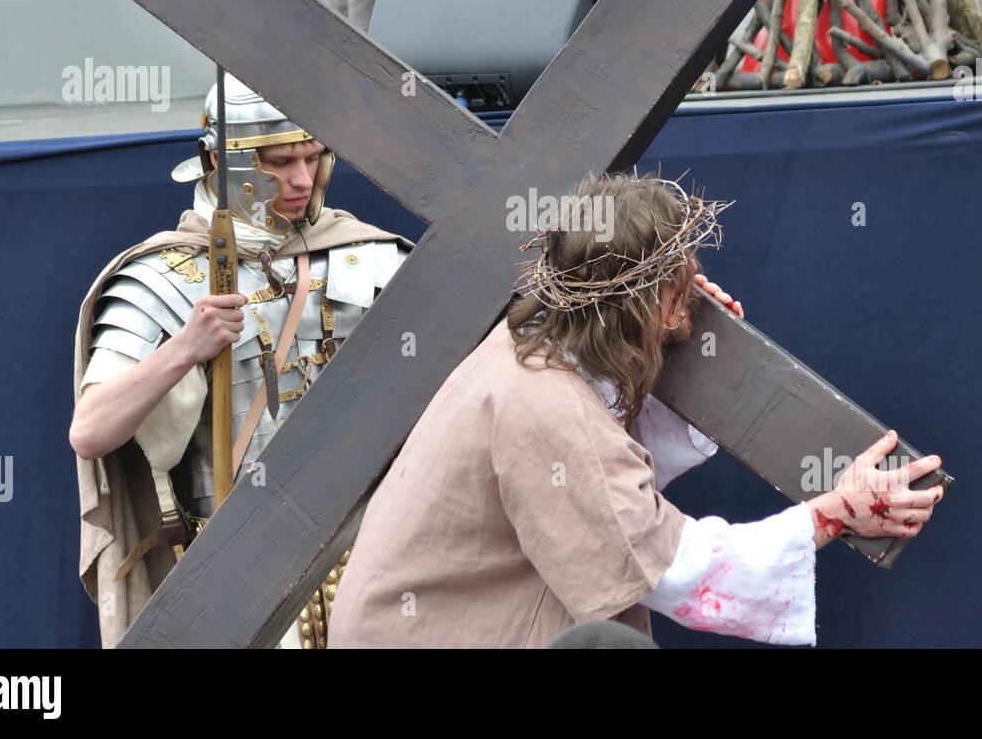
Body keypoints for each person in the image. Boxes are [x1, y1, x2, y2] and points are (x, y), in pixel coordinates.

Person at [326, 171, 944, 648]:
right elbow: (670, 569)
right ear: (645, 294)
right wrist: (834, 515)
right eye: (678, 277)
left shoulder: (529, 346)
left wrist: (672, 337)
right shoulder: (542, 405)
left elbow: (600, 463)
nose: (697, 277)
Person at [69, 75, 411, 648]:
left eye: (313, 157)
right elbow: (91, 429)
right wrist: (185, 348)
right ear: (215, 160)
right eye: (279, 163)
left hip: (376, 563)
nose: (303, 180)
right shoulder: (164, 279)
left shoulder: (373, 257)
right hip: (242, 576)